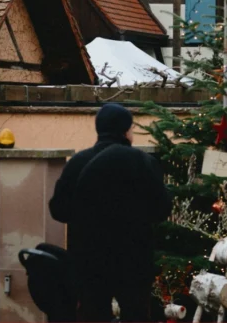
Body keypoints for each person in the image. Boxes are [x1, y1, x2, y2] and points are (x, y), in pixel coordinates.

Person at [49, 103, 171, 322]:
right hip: (134, 259)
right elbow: (162, 209)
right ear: (126, 131)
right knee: (136, 314)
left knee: (93, 313)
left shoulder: (78, 163)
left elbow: (58, 210)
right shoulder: (144, 163)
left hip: (88, 258)